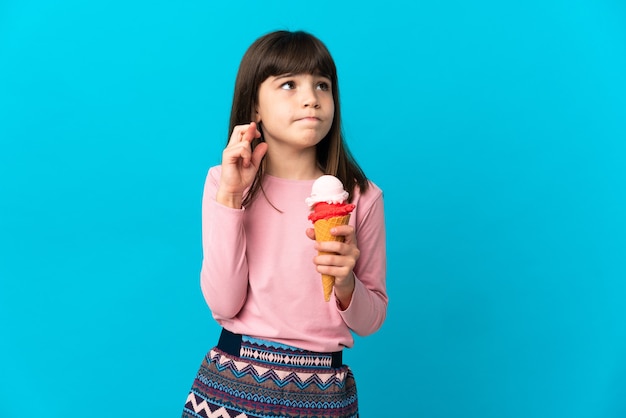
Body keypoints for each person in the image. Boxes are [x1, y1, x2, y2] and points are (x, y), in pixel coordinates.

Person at [182, 30, 387, 418]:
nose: (311, 97)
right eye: (289, 84)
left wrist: (346, 283)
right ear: (254, 105)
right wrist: (230, 199)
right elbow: (223, 301)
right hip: (233, 382)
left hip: (323, 394)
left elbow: (371, 318)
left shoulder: (361, 196)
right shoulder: (222, 183)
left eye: (322, 85)